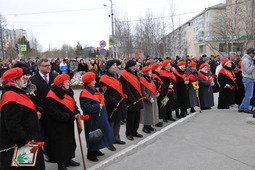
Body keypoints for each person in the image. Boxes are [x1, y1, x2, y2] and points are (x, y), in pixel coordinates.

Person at [0, 68, 45, 170]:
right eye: (21, 78)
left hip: (28, 138)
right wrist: (23, 140)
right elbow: (12, 123)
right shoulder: (11, 96)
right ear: (15, 81)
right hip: (22, 143)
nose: (24, 80)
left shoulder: (16, 93)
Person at [45, 74, 80, 170]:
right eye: (67, 82)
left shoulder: (68, 91)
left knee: (70, 142)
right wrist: (70, 116)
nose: (69, 83)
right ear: (61, 84)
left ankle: (69, 159)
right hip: (58, 125)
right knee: (61, 145)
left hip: (68, 122)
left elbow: (73, 104)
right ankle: (61, 164)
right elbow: (53, 112)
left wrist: (76, 111)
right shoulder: (52, 95)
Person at [80, 72, 114, 162]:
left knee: (99, 133)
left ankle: (96, 149)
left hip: (98, 117)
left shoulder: (93, 90)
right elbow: (85, 107)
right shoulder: (85, 92)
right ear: (89, 82)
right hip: (92, 118)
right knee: (93, 135)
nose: (95, 81)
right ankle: (91, 153)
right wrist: (96, 107)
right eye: (93, 80)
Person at [30, 58, 57, 162]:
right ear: (39, 67)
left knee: (55, 134)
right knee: (44, 134)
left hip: (54, 110)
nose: (49, 67)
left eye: (49, 65)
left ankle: (56, 154)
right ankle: (46, 152)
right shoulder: (33, 80)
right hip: (42, 112)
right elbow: (34, 97)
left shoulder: (55, 76)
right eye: (46, 65)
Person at [99, 60, 126, 151]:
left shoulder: (116, 76)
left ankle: (116, 138)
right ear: (109, 67)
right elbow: (103, 93)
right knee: (111, 123)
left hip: (119, 102)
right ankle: (109, 141)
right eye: (114, 65)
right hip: (110, 104)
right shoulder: (104, 78)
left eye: (116, 65)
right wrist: (114, 102)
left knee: (117, 121)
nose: (116, 67)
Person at [120, 60, 143, 141]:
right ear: (129, 66)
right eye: (133, 66)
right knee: (131, 118)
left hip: (138, 97)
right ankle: (129, 133)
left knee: (137, 117)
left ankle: (135, 131)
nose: (135, 67)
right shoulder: (124, 75)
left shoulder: (134, 73)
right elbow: (126, 89)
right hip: (130, 99)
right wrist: (132, 99)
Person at [140, 66, 159, 133]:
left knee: (151, 112)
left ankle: (149, 125)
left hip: (153, 97)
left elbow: (153, 87)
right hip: (147, 99)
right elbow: (143, 91)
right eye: (149, 72)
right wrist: (148, 97)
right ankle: (145, 126)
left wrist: (156, 93)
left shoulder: (150, 79)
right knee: (146, 113)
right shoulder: (142, 80)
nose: (151, 73)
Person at [238, 48, 255, 114]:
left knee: (248, 94)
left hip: (251, 78)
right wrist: (253, 64)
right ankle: (246, 108)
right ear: (250, 53)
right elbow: (248, 71)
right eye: (253, 53)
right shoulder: (246, 60)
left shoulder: (250, 59)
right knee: (249, 95)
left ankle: (242, 107)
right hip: (248, 78)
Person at [151, 63, 164, 127]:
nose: (160, 69)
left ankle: (159, 118)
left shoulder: (158, 74)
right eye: (159, 68)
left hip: (161, 93)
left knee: (161, 105)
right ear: (155, 69)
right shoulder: (154, 75)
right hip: (157, 94)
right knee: (157, 107)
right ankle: (156, 120)